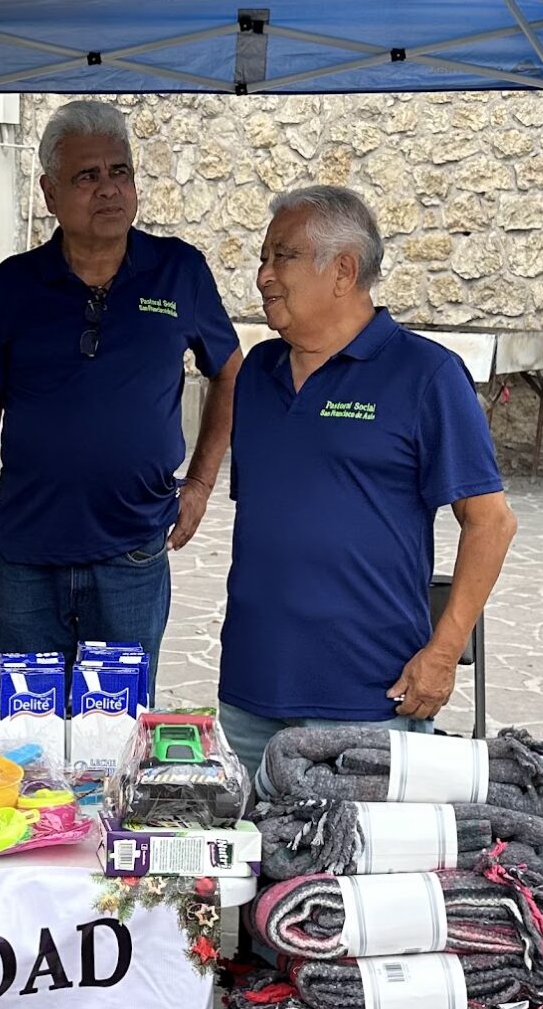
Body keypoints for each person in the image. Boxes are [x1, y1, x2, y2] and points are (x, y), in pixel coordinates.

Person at [217, 185, 518, 777]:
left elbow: (491, 521)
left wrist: (444, 652)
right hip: (248, 693)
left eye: (283, 256)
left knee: (346, 865)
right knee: (248, 858)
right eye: (264, 257)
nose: (263, 275)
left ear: (343, 271)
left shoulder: (426, 375)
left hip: (366, 700)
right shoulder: (257, 373)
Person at [0, 100, 239, 663]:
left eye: (121, 171)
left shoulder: (179, 270)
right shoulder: (11, 288)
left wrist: (202, 484)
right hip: (25, 560)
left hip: (132, 554)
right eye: (87, 176)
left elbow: (230, 372)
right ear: (50, 193)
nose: (109, 189)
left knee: (121, 738)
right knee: (27, 739)